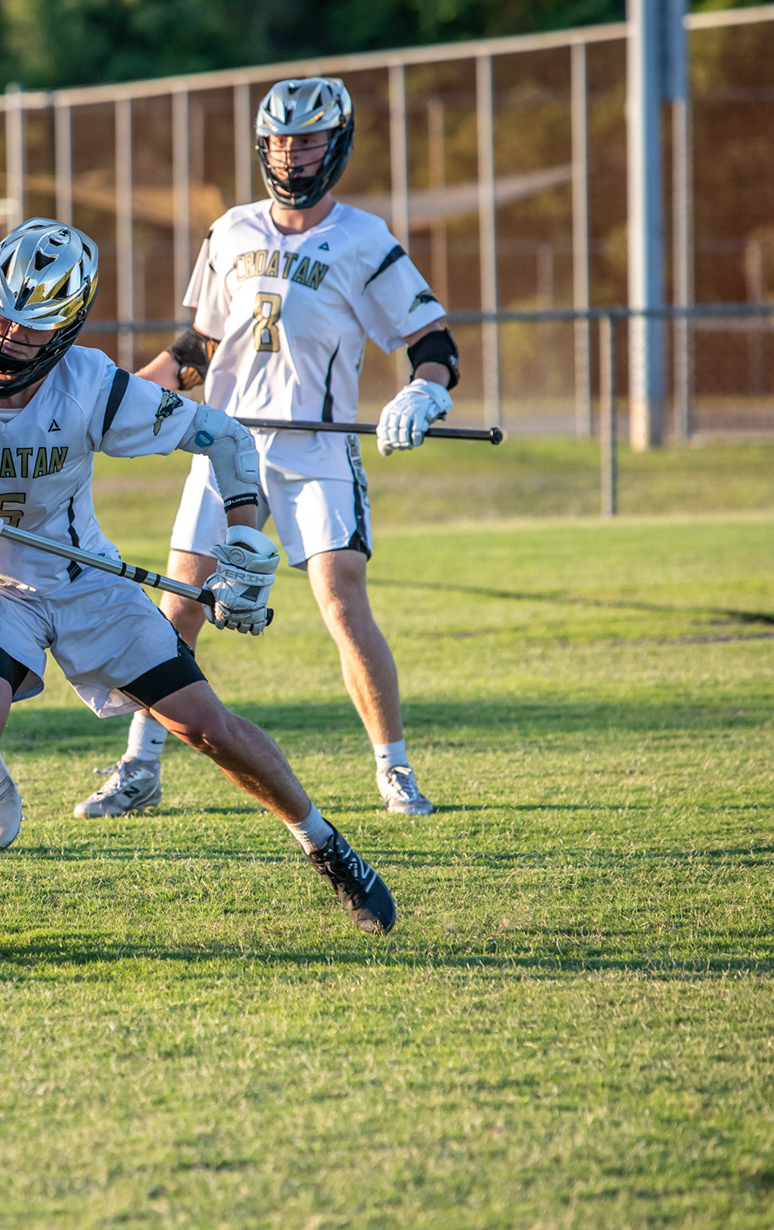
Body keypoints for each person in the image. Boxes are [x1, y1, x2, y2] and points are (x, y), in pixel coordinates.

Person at [0, 219, 397, 948]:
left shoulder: (90, 386)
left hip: (84, 580)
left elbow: (225, 438)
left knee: (204, 726)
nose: (6, 337)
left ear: (65, 330)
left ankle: (327, 846)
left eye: (31, 327)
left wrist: (242, 541)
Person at [82, 77, 460, 821]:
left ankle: (394, 768)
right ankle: (140, 766)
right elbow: (196, 350)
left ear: (336, 143)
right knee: (178, 608)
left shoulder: (364, 238)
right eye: (281, 140)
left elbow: (433, 342)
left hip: (317, 450)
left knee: (341, 600)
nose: (292, 154)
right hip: (228, 445)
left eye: (308, 139)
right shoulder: (230, 231)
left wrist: (424, 392)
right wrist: (113, 399)